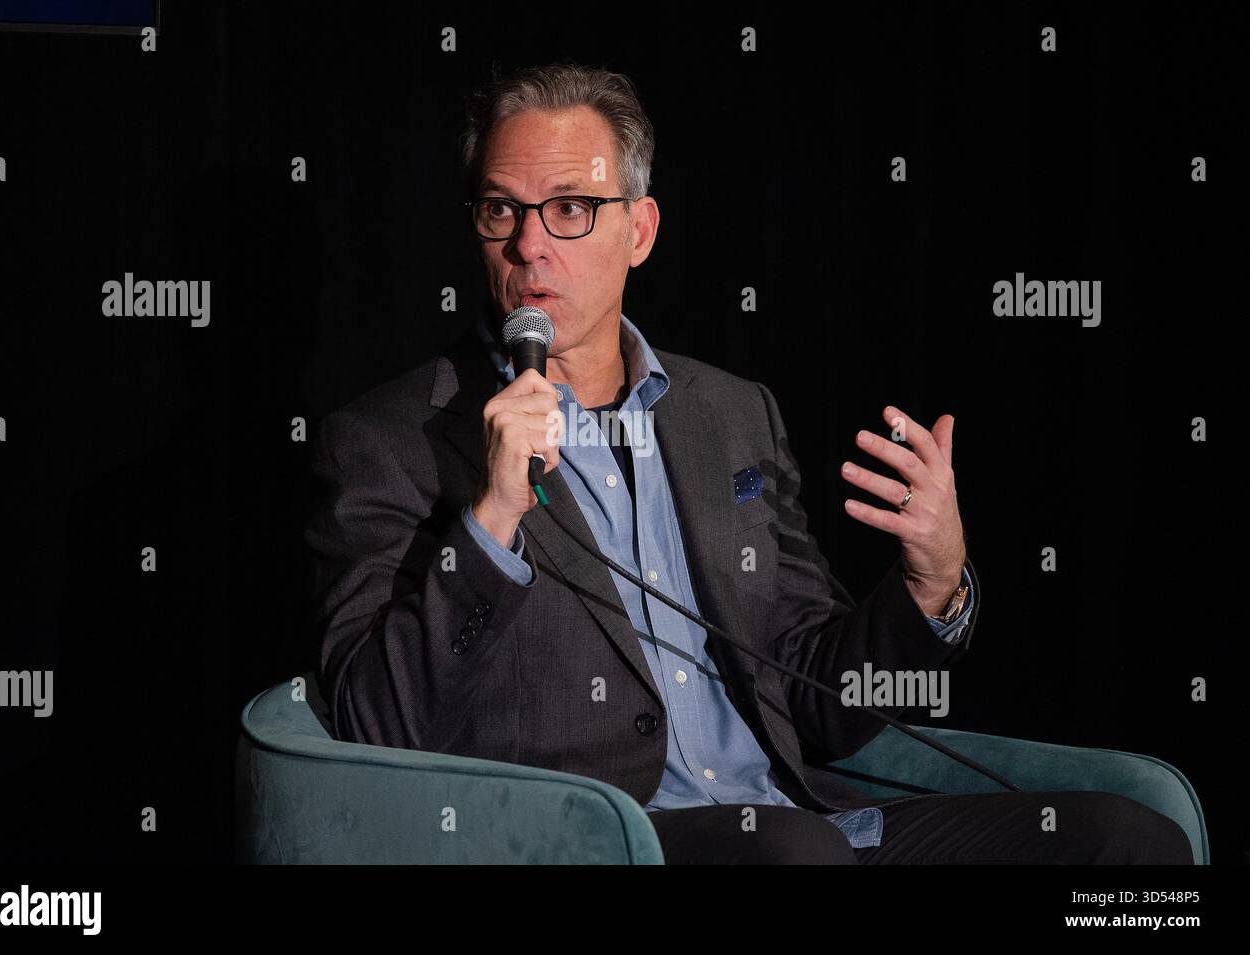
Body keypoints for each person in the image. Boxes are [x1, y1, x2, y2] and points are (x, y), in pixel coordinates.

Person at [305, 61, 1192, 864]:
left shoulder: (729, 414)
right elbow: (373, 726)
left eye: (571, 208)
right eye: (502, 209)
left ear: (640, 230)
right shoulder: (391, 439)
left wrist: (933, 582)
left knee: (1129, 844)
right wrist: (493, 520)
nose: (530, 245)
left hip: (803, 821)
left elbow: (819, 697)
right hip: (617, 842)